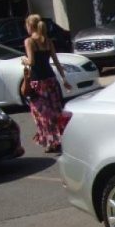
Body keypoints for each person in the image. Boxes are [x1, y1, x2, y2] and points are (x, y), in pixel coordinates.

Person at [23, 14, 71, 153]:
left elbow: (31, 61)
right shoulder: (48, 41)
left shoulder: (29, 41)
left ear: (30, 26)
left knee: (41, 114)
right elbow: (56, 61)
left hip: (38, 83)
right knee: (55, 112)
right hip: (51, 80)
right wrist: (64, 79)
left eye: (26, 25)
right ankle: (59, 139)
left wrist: (24, 60)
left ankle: (51, 142)